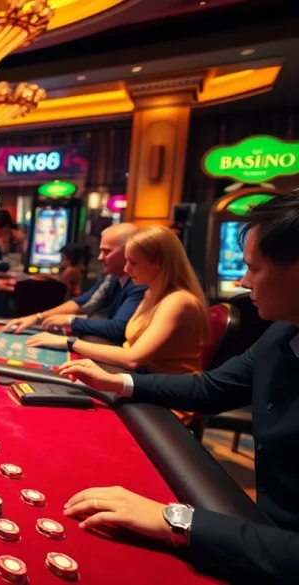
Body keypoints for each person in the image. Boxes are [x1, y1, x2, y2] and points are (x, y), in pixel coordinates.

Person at [55, 195, 299, 584]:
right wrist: (118, 382)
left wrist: (177, 519)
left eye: (253, 268)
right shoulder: (284, 332)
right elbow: (211, 387)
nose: (242, 281)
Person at [27, 226, 207, 375]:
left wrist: (70, 342)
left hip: (164, 404)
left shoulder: (177, 301)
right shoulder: (151, 293)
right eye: (126, 261)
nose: (127, 269)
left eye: (133, 263)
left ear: (160, 263)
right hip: (141, 383)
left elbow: (132, 358)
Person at [5, 223, 146, 344]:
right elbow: (81, 302)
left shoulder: (140, 284)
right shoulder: (112, 277)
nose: (100, 257)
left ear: (129, 251)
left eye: (106, 251)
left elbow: (117, 328)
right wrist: (37, 317)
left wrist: (71, 321)